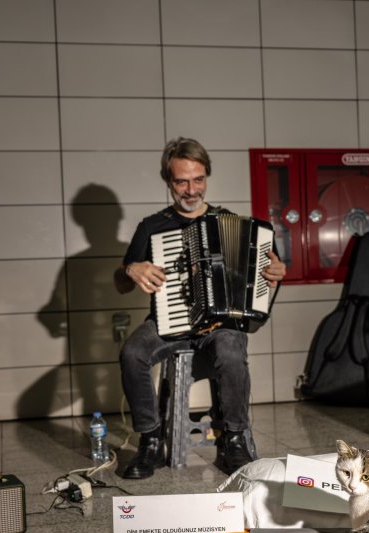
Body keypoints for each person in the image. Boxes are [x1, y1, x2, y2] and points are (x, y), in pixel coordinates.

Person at [115, 137, 286, 479]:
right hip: (168, 323)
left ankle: (234, 439)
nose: (191, 190)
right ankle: (150, 441)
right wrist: (129, 269)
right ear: (168, 181)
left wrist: (275, 276)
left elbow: (259, 285)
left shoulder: (231, 223)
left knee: (232, 345)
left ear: (207, 176)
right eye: (181, 181)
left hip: (218, 326)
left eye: (198, 180)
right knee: (132, 351)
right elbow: (122, 285)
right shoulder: (152, 227)